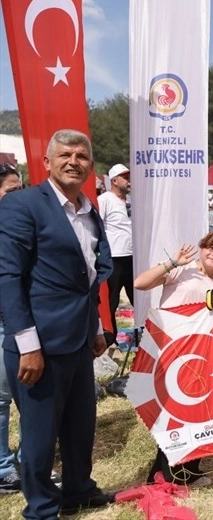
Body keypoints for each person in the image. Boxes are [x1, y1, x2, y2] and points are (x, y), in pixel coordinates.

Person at [0, 130, 114, 517]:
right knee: (40, 436)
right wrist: (27, 344)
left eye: (81, 156)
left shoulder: (89, 210)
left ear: (91, 166)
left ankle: (78, 490)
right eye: (64, 155)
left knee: (81, 424)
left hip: (79, 339)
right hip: (40, 344)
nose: (73, 161)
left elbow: (88, 277)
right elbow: (8, 277)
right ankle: (42, 508)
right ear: (46, 163)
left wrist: (95, 328)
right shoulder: (23, 205)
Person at [134, 229, 213, 487]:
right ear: (202, 248)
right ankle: (165, 477)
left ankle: (189, 471)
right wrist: (172, 262)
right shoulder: (181, 270)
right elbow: (140, 283)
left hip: (202, 359)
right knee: (174, 416)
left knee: (199, 415)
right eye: (211, 247)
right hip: (173, 353)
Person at [0, 163, 22, 493]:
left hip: (22, 318)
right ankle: (4, 467)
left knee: (27, 396)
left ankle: (26, 460)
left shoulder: (20, 224)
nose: (19, 197)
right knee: (2, 398)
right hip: (5, 320)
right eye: (11, 191)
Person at [97, 163, 133, 343]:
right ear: (114, 180)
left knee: (139, 298)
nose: (129, 180)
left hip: (132, 257)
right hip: (114, 259)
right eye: (125, 177)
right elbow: (97, 226)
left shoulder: (132, 200)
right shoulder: (104, 200)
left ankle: (146, 336)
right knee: (112, 301)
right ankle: (110, 340)